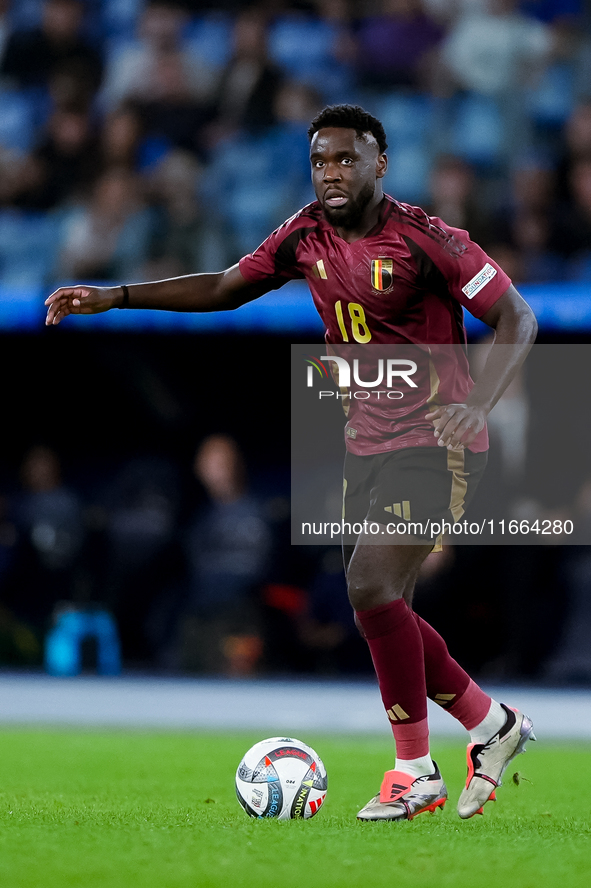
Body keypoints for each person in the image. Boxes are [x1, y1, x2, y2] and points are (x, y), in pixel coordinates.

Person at [45, 103, 538, 823]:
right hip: (362, 444)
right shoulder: (302, 234)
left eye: (346, 158)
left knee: (370, 588)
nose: (331, 173)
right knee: (380, 604)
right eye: (319, 160)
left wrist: (479, 403)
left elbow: (517, 317)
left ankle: (414, 770)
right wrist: (117, 295)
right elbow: (223, 286)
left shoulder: (428, 239)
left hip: (438, 443)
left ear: (381, 163)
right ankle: (491, 724)